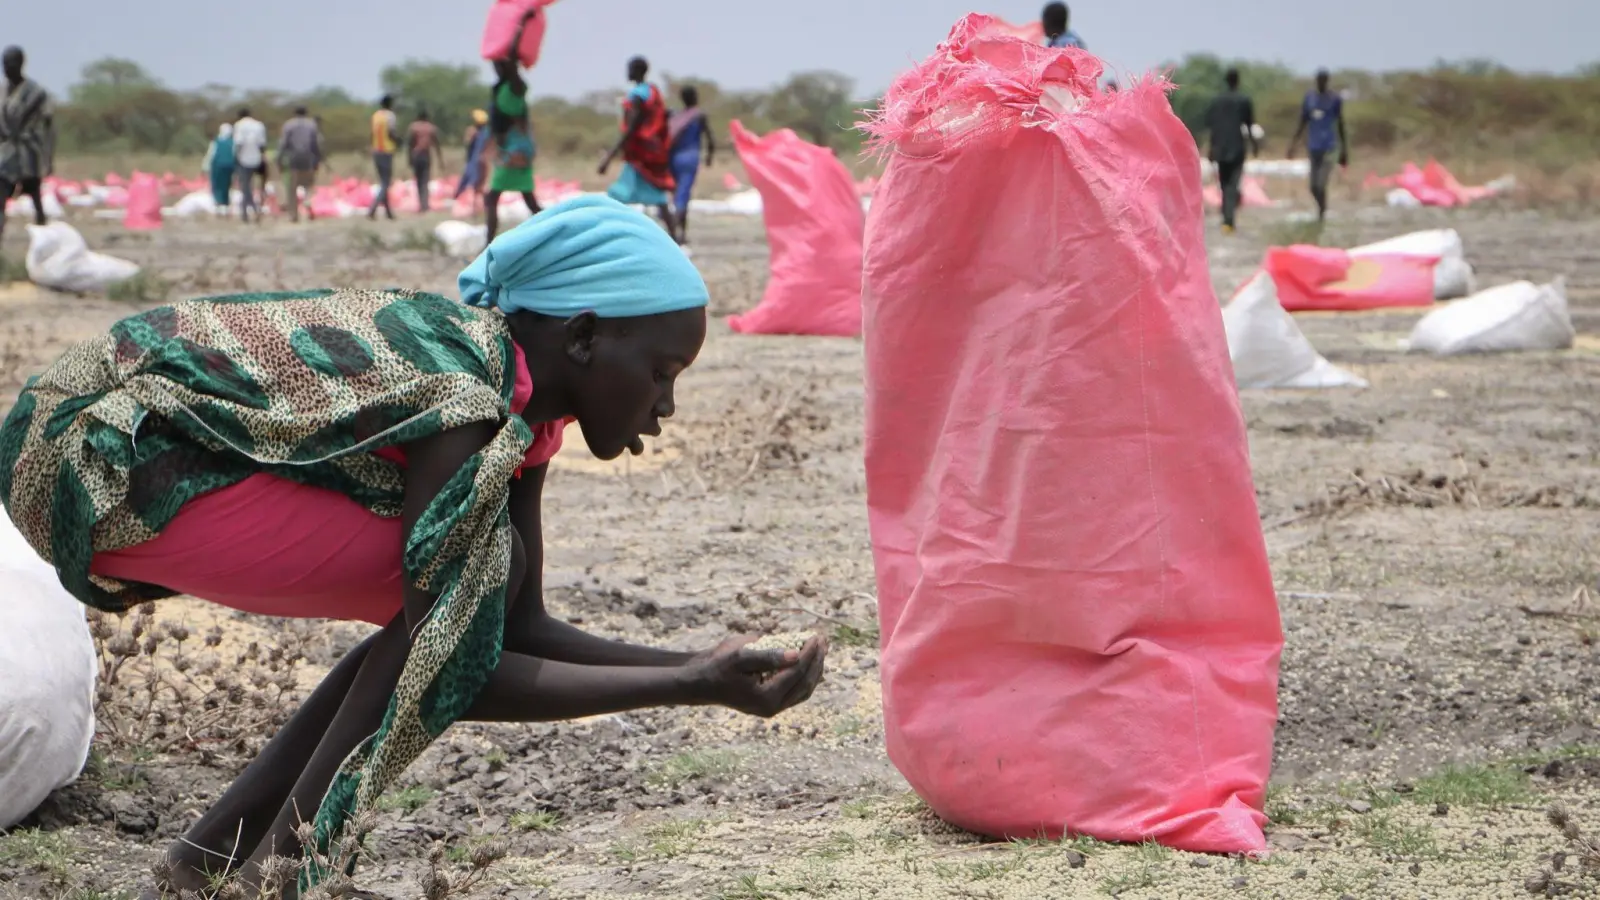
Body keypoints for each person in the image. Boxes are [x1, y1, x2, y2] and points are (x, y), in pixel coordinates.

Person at [0, 194, 830, 897]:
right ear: (582, 338)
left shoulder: (523, 419)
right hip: (92, 457)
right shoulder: (465, 397)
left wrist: (702, 665)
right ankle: (280, 873)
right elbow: (455, 663)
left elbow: (520, 629)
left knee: (467, 588)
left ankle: (207, 863)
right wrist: (689, 684)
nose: (667, 406)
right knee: (457, 599)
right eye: (661, 372)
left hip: (126, 455)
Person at [599, 57, 677, 242]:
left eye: (630, 69)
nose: (628, 72)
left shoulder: (638, 96)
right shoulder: (653, 92)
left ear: (637, 71)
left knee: (618, 196)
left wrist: (609, 156)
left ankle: (610, 237)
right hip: (651, 153)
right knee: (657, 198)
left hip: (639, 156)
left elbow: (632, 128)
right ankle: (676, 239)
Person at [485, 16, 542, 241]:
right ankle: (556, 233)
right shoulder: (502, 88)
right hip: (511, 147)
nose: (496, 67)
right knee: (527, 200)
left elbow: (512, 58)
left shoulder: (516, 86)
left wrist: (519, 26)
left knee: (494, 197)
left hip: (516, 148)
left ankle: (488, 244)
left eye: (500, 64)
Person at [0, 46, 55, 245]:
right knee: (1, 194)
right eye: (4, 63)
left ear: (21, 64)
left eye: (11, 63)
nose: (7, 68)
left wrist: (48, 158)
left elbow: (48, 126)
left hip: (28, 153)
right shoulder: (2, 91)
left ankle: (44, 237)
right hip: (5, 153)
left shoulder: (36, 93)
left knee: (34, 195)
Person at [1287, 69, 1348, 223]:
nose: (1321, 83)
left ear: (1327, 81)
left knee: (1321, 184)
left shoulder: (1334, 99)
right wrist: (1293, 144)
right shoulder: (1309, 98)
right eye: (1318, 80)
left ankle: (1322, 213)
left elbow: (1340, 123)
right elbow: (1302, 122)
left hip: (1329, 147)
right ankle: (1321, 208)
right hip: (1313, 147)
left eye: (1323, 80)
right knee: (1313, 186)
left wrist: (1344, 150)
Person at [1204, 68, 1258, 234]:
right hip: (1237, 147)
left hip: (1220, 147)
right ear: (1237, 81)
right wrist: (1254, 144)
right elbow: (1249, 126)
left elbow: (1213, 127)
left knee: (1225, 183)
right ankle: (1229, 219)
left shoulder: (1217, 101)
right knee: (1232, 184)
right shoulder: (1244, 100)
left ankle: (1227, 218)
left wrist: (1211, 148)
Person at [667, 85, 716, 246]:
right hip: (690, 158)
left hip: (673, 159)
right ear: (695, 97)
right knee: (683, 197)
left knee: (677, 196)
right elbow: (710, 139)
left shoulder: (677, 116)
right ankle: (673, 233)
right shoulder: (699, 116)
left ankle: (681, 233)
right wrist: (709, 156)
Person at [278, 106, 322, 223]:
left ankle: (293, 215)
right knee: (308, 183)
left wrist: (279, 158)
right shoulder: (312, 125)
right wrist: (318, 158)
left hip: (293, 157)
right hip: (308, 157)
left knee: (292, 187)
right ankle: (307, 201)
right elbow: (316, 143)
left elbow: (284, 143)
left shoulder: (288, 125)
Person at [232, 108, 268, 224]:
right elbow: (262, 144)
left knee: (245, 187)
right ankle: (252, 210)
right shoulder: (259, 125)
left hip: (244, 159)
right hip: (257, 158)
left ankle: (248, 211)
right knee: (256, 186)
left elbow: (239, 143)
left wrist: (236, 157)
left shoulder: (239, 125)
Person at [406, 109, 445, 213]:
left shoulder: (414, 127)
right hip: (425, 155)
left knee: (418, 181)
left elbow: (410, 144)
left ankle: (421, 204)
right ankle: (425, 205)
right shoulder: (431, 128)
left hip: (416, 155)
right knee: (425, 180)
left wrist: (409, 158)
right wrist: (440, 160)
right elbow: (437, 144)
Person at [367, 95, 399, 221]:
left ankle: (388, 212)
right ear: (390, 104)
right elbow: (391, 132)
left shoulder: (375, 116)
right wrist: (398, 141)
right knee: (386, 182)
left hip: (376, 150)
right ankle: (372, 209)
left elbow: (372, 133)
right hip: (386, 150)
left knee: (383, 182)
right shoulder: (390, 116)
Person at [455, 108, 491, 215]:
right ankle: (471, 203)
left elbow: (468, 143)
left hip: (476, 160)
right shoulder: (485, 132)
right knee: (475, 183)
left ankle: (473, 206)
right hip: (480, 160)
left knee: (473, 182)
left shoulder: (479, 132)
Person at [200, 123, 235, 217]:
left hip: (217, 166)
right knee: (226, 186)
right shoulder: (232, 142)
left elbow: (210, 154)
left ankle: (218, 206)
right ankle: (226, 206)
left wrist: (204, 167)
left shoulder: (216, 142)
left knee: (217, 185)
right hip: (229, 166)